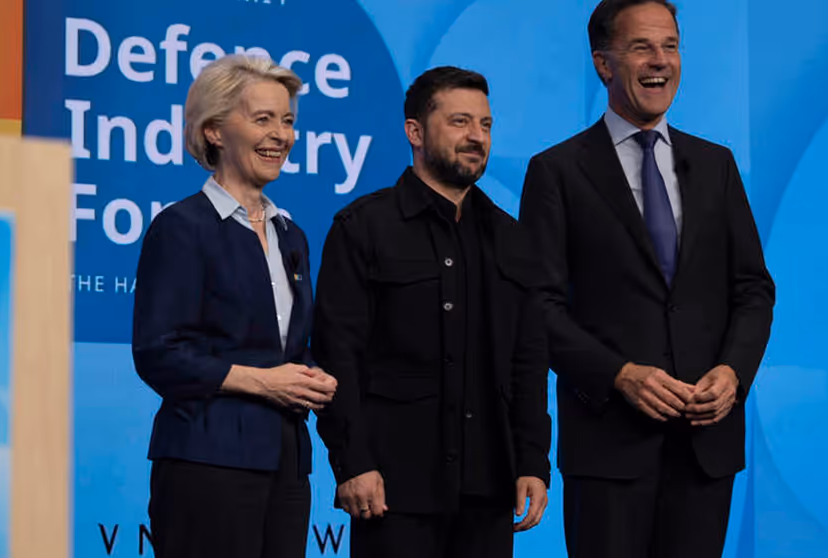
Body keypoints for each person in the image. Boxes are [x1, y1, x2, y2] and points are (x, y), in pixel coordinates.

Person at [518, 2, 776, 557]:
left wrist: (734, 373)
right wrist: (619, 374)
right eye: (641, 47)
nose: (661, 61)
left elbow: (753, 289)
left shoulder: (718, 166)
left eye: (671, 45)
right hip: (610, 448)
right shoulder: (557, 172)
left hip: (705, 447)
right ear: (603, 64)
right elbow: (536, 306)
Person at [313, 66, 551, 558]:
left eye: (485, 125)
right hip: (391, 490)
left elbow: (528, 362)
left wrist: (533, 460)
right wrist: (352, 461)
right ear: (414, 132)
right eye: (461, 122)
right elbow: (339, 356)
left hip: (489, 489)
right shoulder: (363, 227)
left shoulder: (513, 239)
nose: (476, 138)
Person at [131, 54, 337, 558]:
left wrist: (311, 374)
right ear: (215, 131)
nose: (281, 135)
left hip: (287, 465)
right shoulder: (181, 228)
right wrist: (266, 382)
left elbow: (284, 346)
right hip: (207, 461)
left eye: (287, 120)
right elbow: (159, 353)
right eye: (263, 119)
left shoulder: (293, 236)